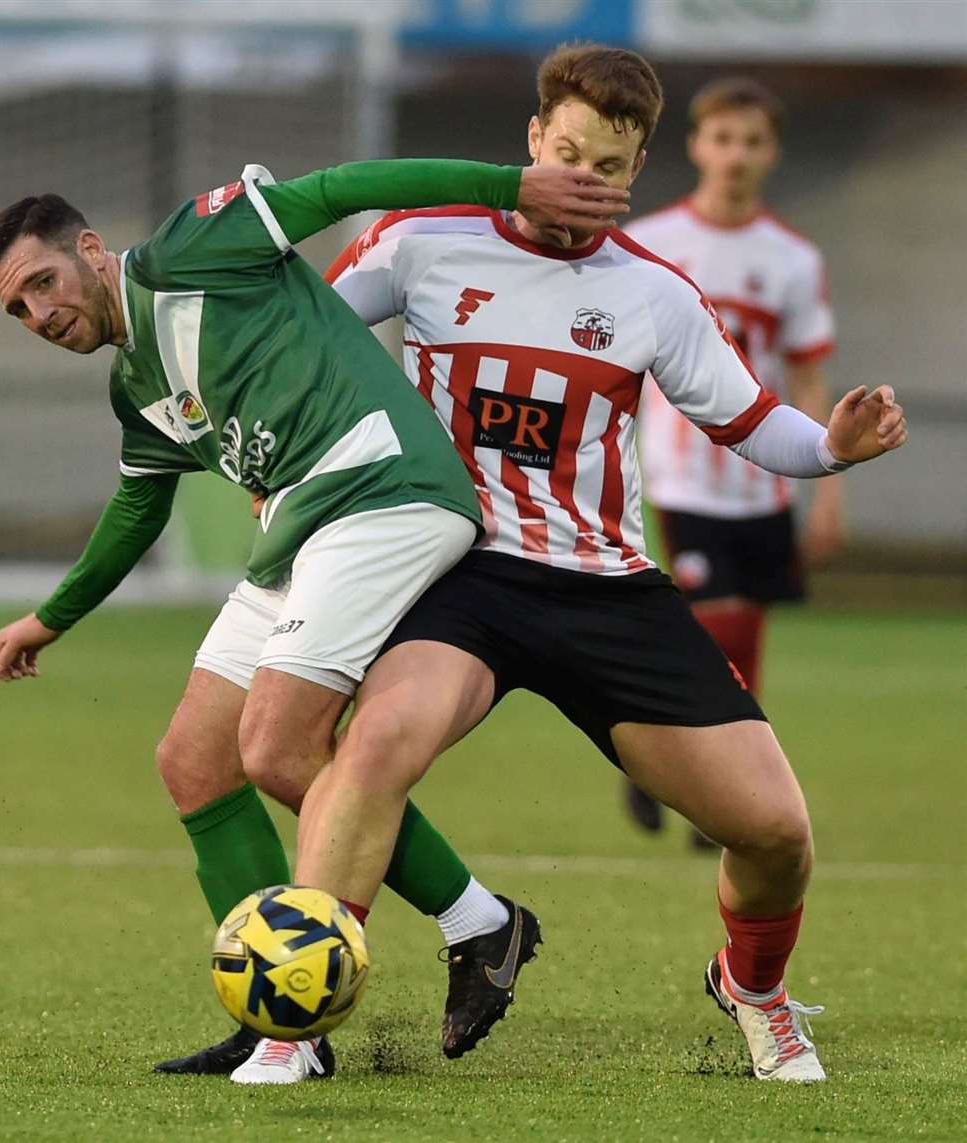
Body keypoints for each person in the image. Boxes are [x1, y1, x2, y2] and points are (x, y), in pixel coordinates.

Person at [281, 43, 907, 1084]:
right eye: (567, 156)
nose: (584, 187)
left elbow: (753, 422)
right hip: (459, 578)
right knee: (372, 750)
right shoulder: (418, 242)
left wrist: (832, 447)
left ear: (638, 168)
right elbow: (297, 343)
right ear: (533, 140)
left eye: (608, 171)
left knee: (776, 833)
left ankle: (752, 989)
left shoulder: (652, 293)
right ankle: (293, 1025)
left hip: (605, 588)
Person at [0, 158, 628, 1084]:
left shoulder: (192, 245)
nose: (39, 316)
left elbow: (340, 188)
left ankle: (404, 964)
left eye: (41, 284)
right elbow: (136, 508)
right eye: (17, 311)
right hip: (298, 528)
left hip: (383, 489)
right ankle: (300, 1003)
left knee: (278, 745)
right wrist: (53, 615)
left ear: (89, 250)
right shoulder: (135, 386)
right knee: (194, 761)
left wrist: (510, 185)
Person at [623, 77, 844, 846]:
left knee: (742, 634)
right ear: (695, 145)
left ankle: (705, 785)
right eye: (723, 138)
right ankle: (672, 765)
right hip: (682, 471)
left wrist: (828, 488)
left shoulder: (791, 258)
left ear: (772, 152)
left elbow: (807, 373)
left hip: (764, 477)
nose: (736, 155)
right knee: (711, 619)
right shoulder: (653, 242)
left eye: (752, 141)